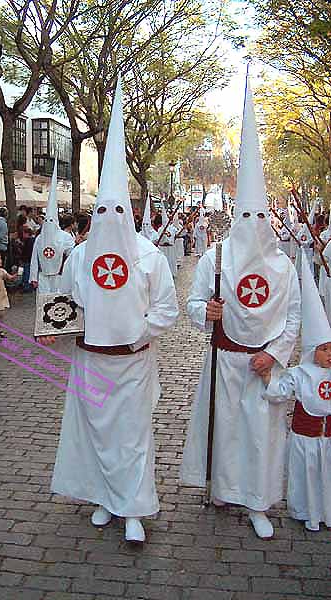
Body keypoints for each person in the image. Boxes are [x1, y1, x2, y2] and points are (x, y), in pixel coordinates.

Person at [40, 78, 179, 543]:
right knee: (95, 432)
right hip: (89, 360)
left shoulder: (150, 257)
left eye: (117, 211)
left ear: (130, 214)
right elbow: (66, 300)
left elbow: (166, 309)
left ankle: (134, 508)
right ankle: (103, 496)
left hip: (132, 363)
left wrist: (137, 331)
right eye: (101, 211)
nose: (108, 220)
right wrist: (55, 323)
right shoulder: (80, 255)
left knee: (132, 436)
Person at [180, 77, 301, 540]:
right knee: (226, 427)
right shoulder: (216, 257)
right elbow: (193, 303)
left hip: (262, 363)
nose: (251, 225)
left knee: (261, 431)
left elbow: (292, 318)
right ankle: (224, 491)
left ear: (267, 218)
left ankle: (258, 500)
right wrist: (205, 312)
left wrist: (274, 353)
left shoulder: (285, 268)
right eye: (244, 217)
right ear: (236, 217)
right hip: (223, 358)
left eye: (258, 217)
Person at [263, 254, 331, 531]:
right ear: (311, 350)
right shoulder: (301, 373)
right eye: (324, 349)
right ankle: (307, 511)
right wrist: (269, 377)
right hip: (306, 439)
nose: (329, 355)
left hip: (328, 439)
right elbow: (281, 391)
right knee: (308, 475)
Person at [30, 161, 75, 292]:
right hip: (43, 276)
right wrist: (33, 277)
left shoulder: (65, 237)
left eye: (51, 221)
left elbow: (72, 255)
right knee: (44, 303)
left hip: (59, 276)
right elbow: (34, 259)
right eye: (47, 221)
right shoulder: (39, 239)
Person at [157, 201, 177, 278]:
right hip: (162, 248)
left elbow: (173, 236)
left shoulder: (172, 228)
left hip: (170, 248)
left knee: (171, 261)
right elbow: (158, 238)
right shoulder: (159, 229)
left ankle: (172, 273)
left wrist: (169, 238)